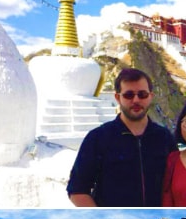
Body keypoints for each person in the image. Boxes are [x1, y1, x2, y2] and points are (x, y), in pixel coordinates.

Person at [66, 68, 176, 207]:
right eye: (129, 95)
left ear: (150, 96)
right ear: (118, 97)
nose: (136, 100)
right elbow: (77, 190)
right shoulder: (98, 138)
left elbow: (176, 185)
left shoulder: (164, 137)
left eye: (142, 94)